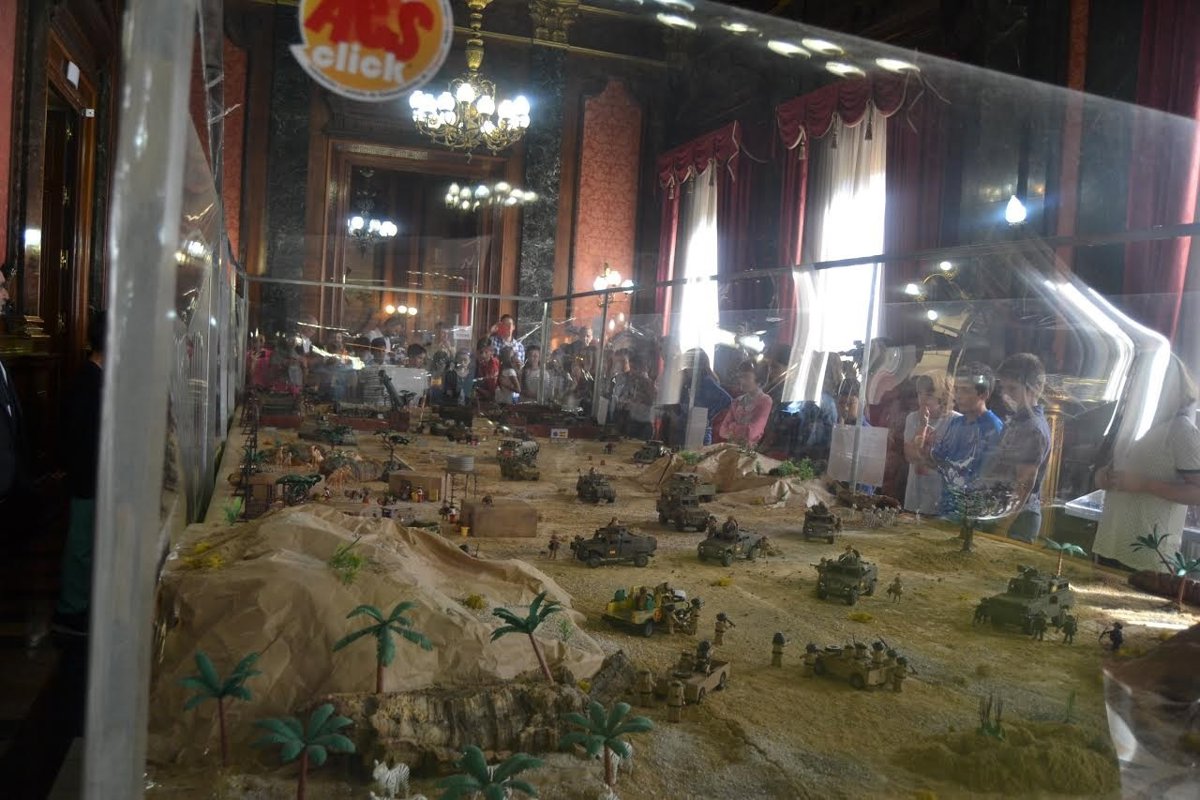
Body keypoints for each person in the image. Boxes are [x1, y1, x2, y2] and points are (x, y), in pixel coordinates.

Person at [1093, 358, 1200, 571]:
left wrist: (1145, 485)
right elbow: (1111, 469)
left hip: (1149, 557)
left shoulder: (1182, 430)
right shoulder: (1131, 424)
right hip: (1108, 544)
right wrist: (1102, 477)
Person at [53, 310, 107, 638]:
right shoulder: (88, 382)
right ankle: (70, 611)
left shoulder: (96, 378)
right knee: (81, 547)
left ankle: (81, 605)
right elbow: (80, 438)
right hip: (87, 479)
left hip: (91, 477)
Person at [983, 353, 1052, 543]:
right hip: (1000, 510)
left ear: (1035, 387)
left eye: (1012, 388)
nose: (1006, 395)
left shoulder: (1033, 428)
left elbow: (1024, 482)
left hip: (1016, 520)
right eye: (1004, 388)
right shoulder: (1017, 421)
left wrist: (1002, 525)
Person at [931, 364, 1004, 518]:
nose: (958, 396)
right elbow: (940, 462)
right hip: (947, 508)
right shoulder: (955, 423)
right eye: (957, 390)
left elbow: (992, 477)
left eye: (965, 390)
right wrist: (925, 448)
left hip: (974, 513)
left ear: (984, 394)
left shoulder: (993, 428)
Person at [903, 373, 960, 515]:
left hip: (941, 497)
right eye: (919, 393)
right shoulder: (912, 418)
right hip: (915, 494)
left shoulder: (956, 421)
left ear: (943, 397)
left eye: (929, 395)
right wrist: (923, 425)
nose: (922, 399)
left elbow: (951, 463)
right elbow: (910, 456)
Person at [718, 361, 773, 449]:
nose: (741, 380)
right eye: (740, 377)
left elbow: (752, 432)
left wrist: (732, 426)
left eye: (746, 377)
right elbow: (722, 430)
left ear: (759, 379)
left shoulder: (765, 401)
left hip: (750, 451)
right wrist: (740, 429)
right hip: (730, 448)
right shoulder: (737, 401)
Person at [472, 338, 499, 404]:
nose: (483, 355)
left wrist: (476, 388)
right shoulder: (477, 363)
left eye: (486, 352)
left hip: (492, 401)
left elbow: (491, 394)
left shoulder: (493, 366)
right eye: (480, 352)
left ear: (492, 352)